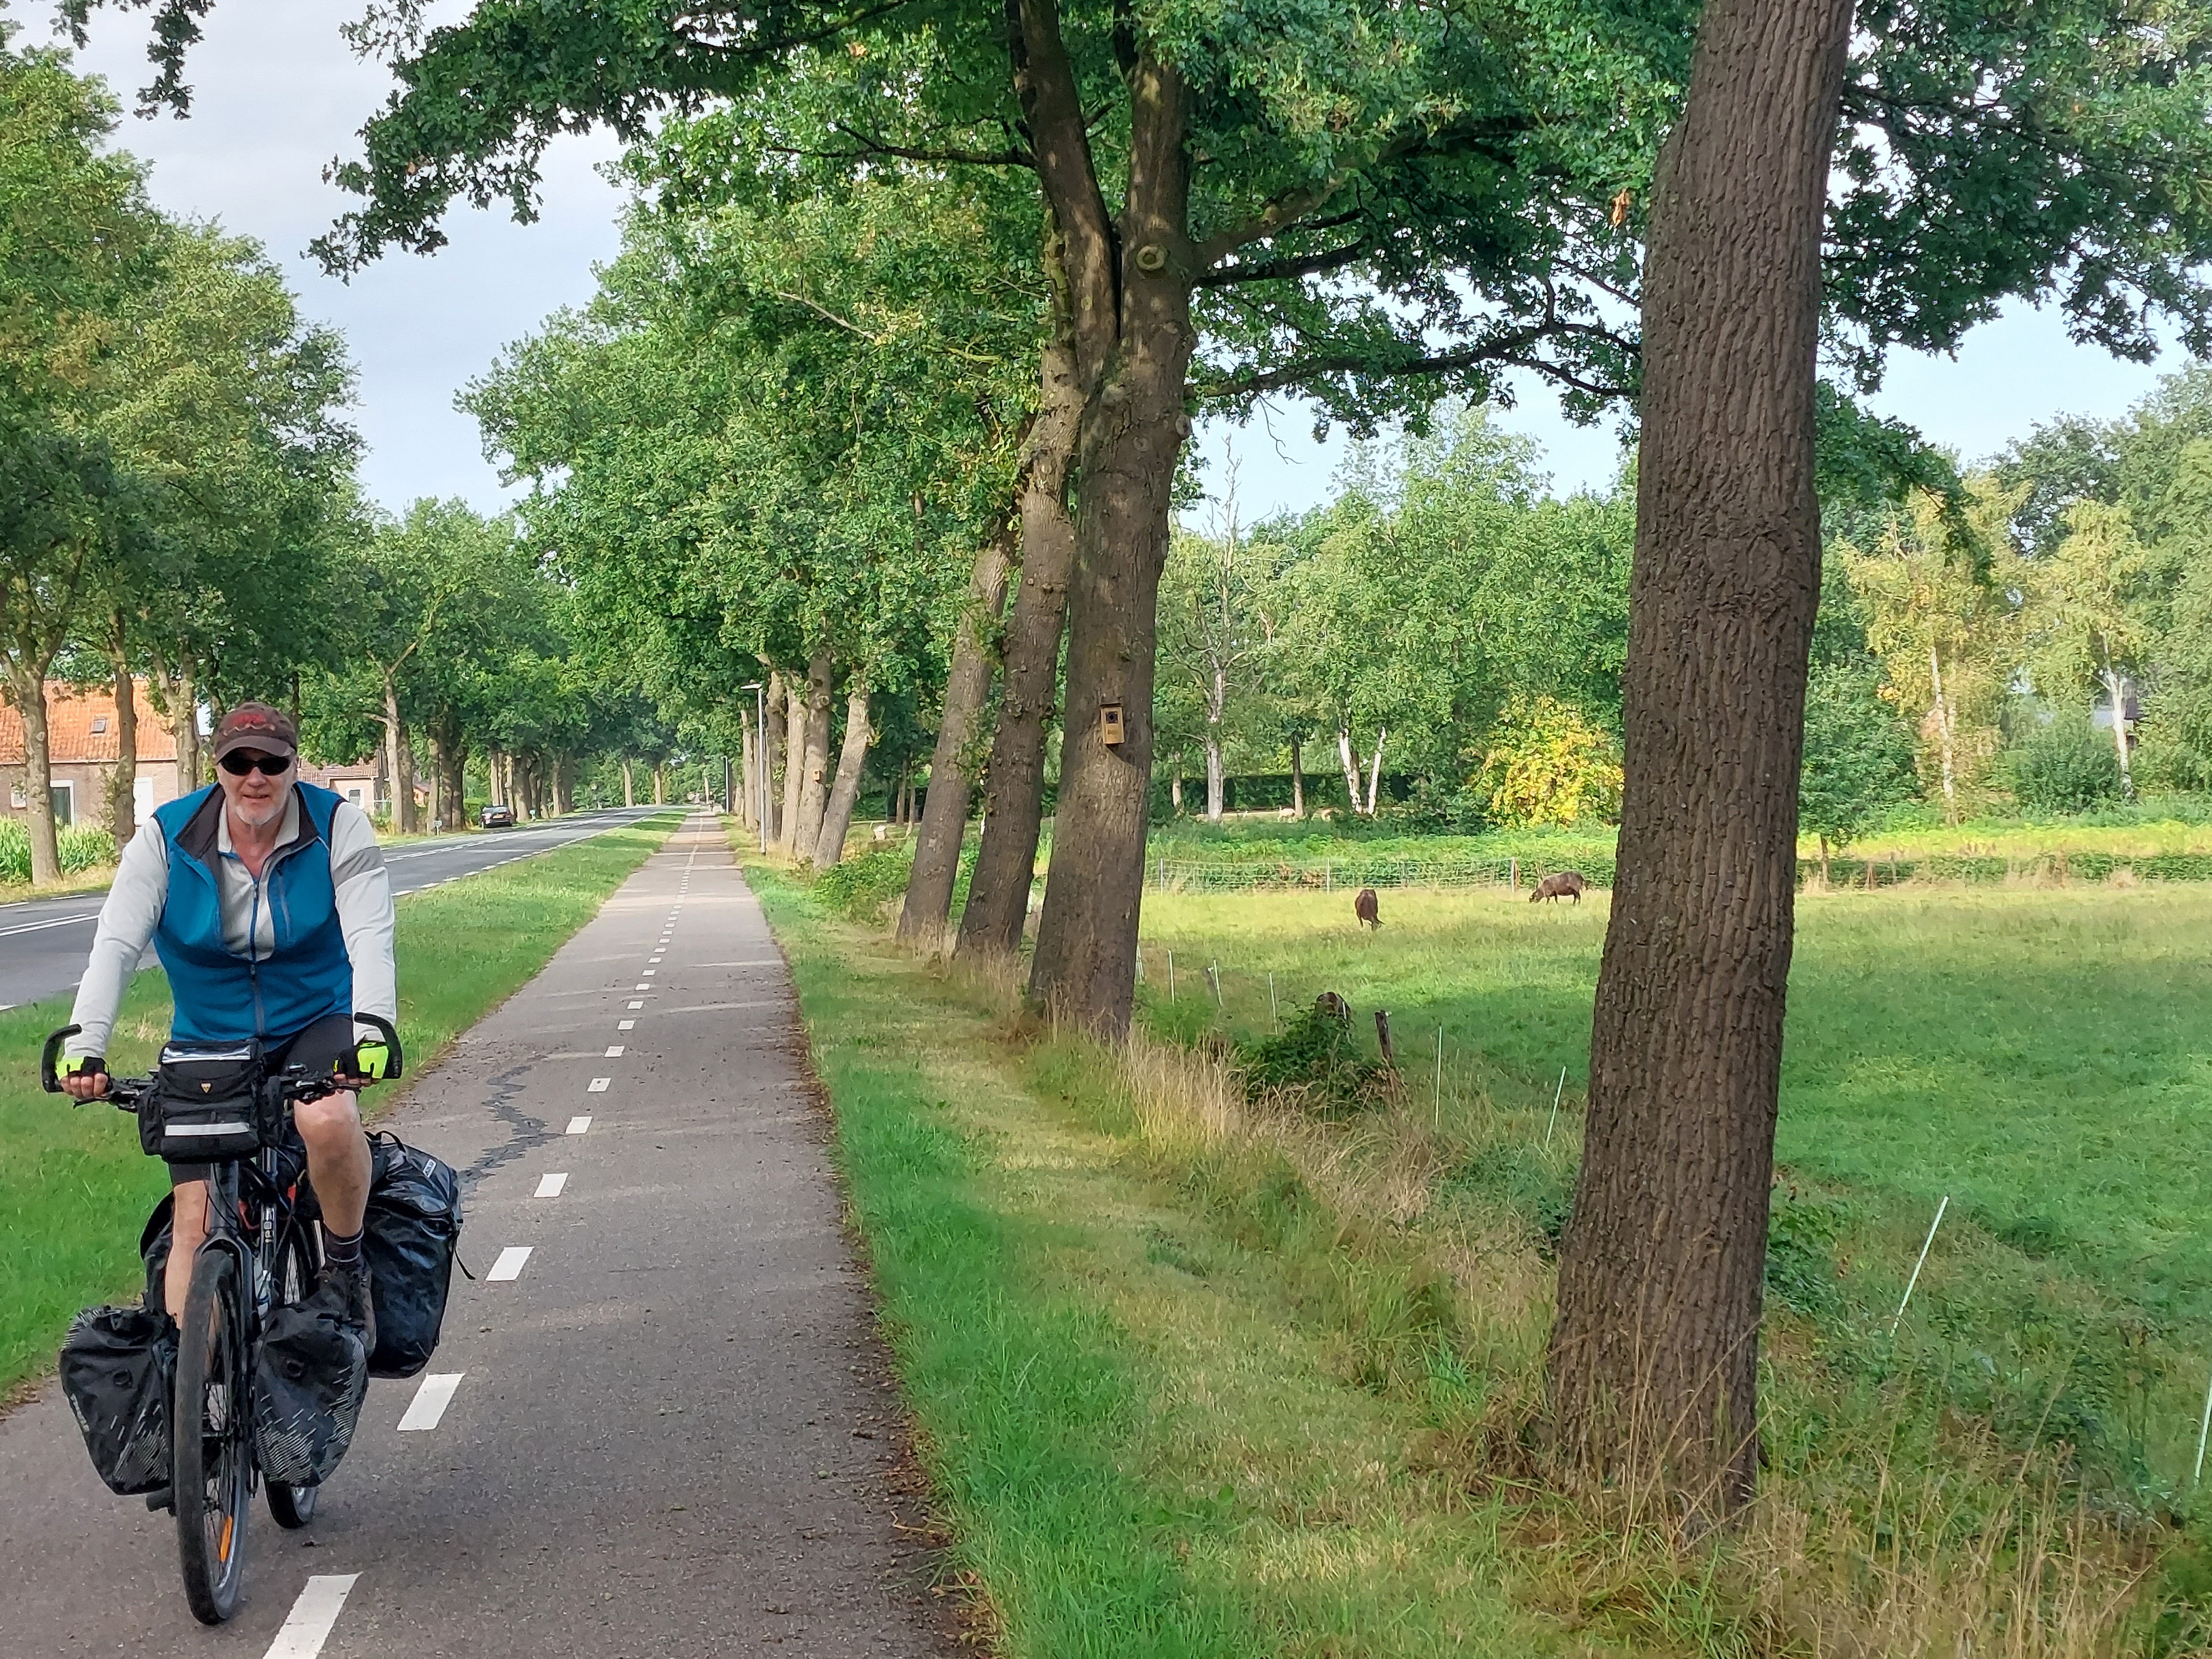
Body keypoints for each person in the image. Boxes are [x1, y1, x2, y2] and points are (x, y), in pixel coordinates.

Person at [59, 702, 397, 1343]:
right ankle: (194, 1384)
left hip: (314, 1019)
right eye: (239, 763)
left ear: (295, 767)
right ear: (217, 768)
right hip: (209, 1036)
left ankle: (346, 1267)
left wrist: (373, 1030)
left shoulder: (337, 826)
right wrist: (85, 1045)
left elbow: (370, 938)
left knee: (328, 1120)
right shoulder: (167, 837)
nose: (255, 777)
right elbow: (116, 946)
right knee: (195, 1218)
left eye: (272, 763)